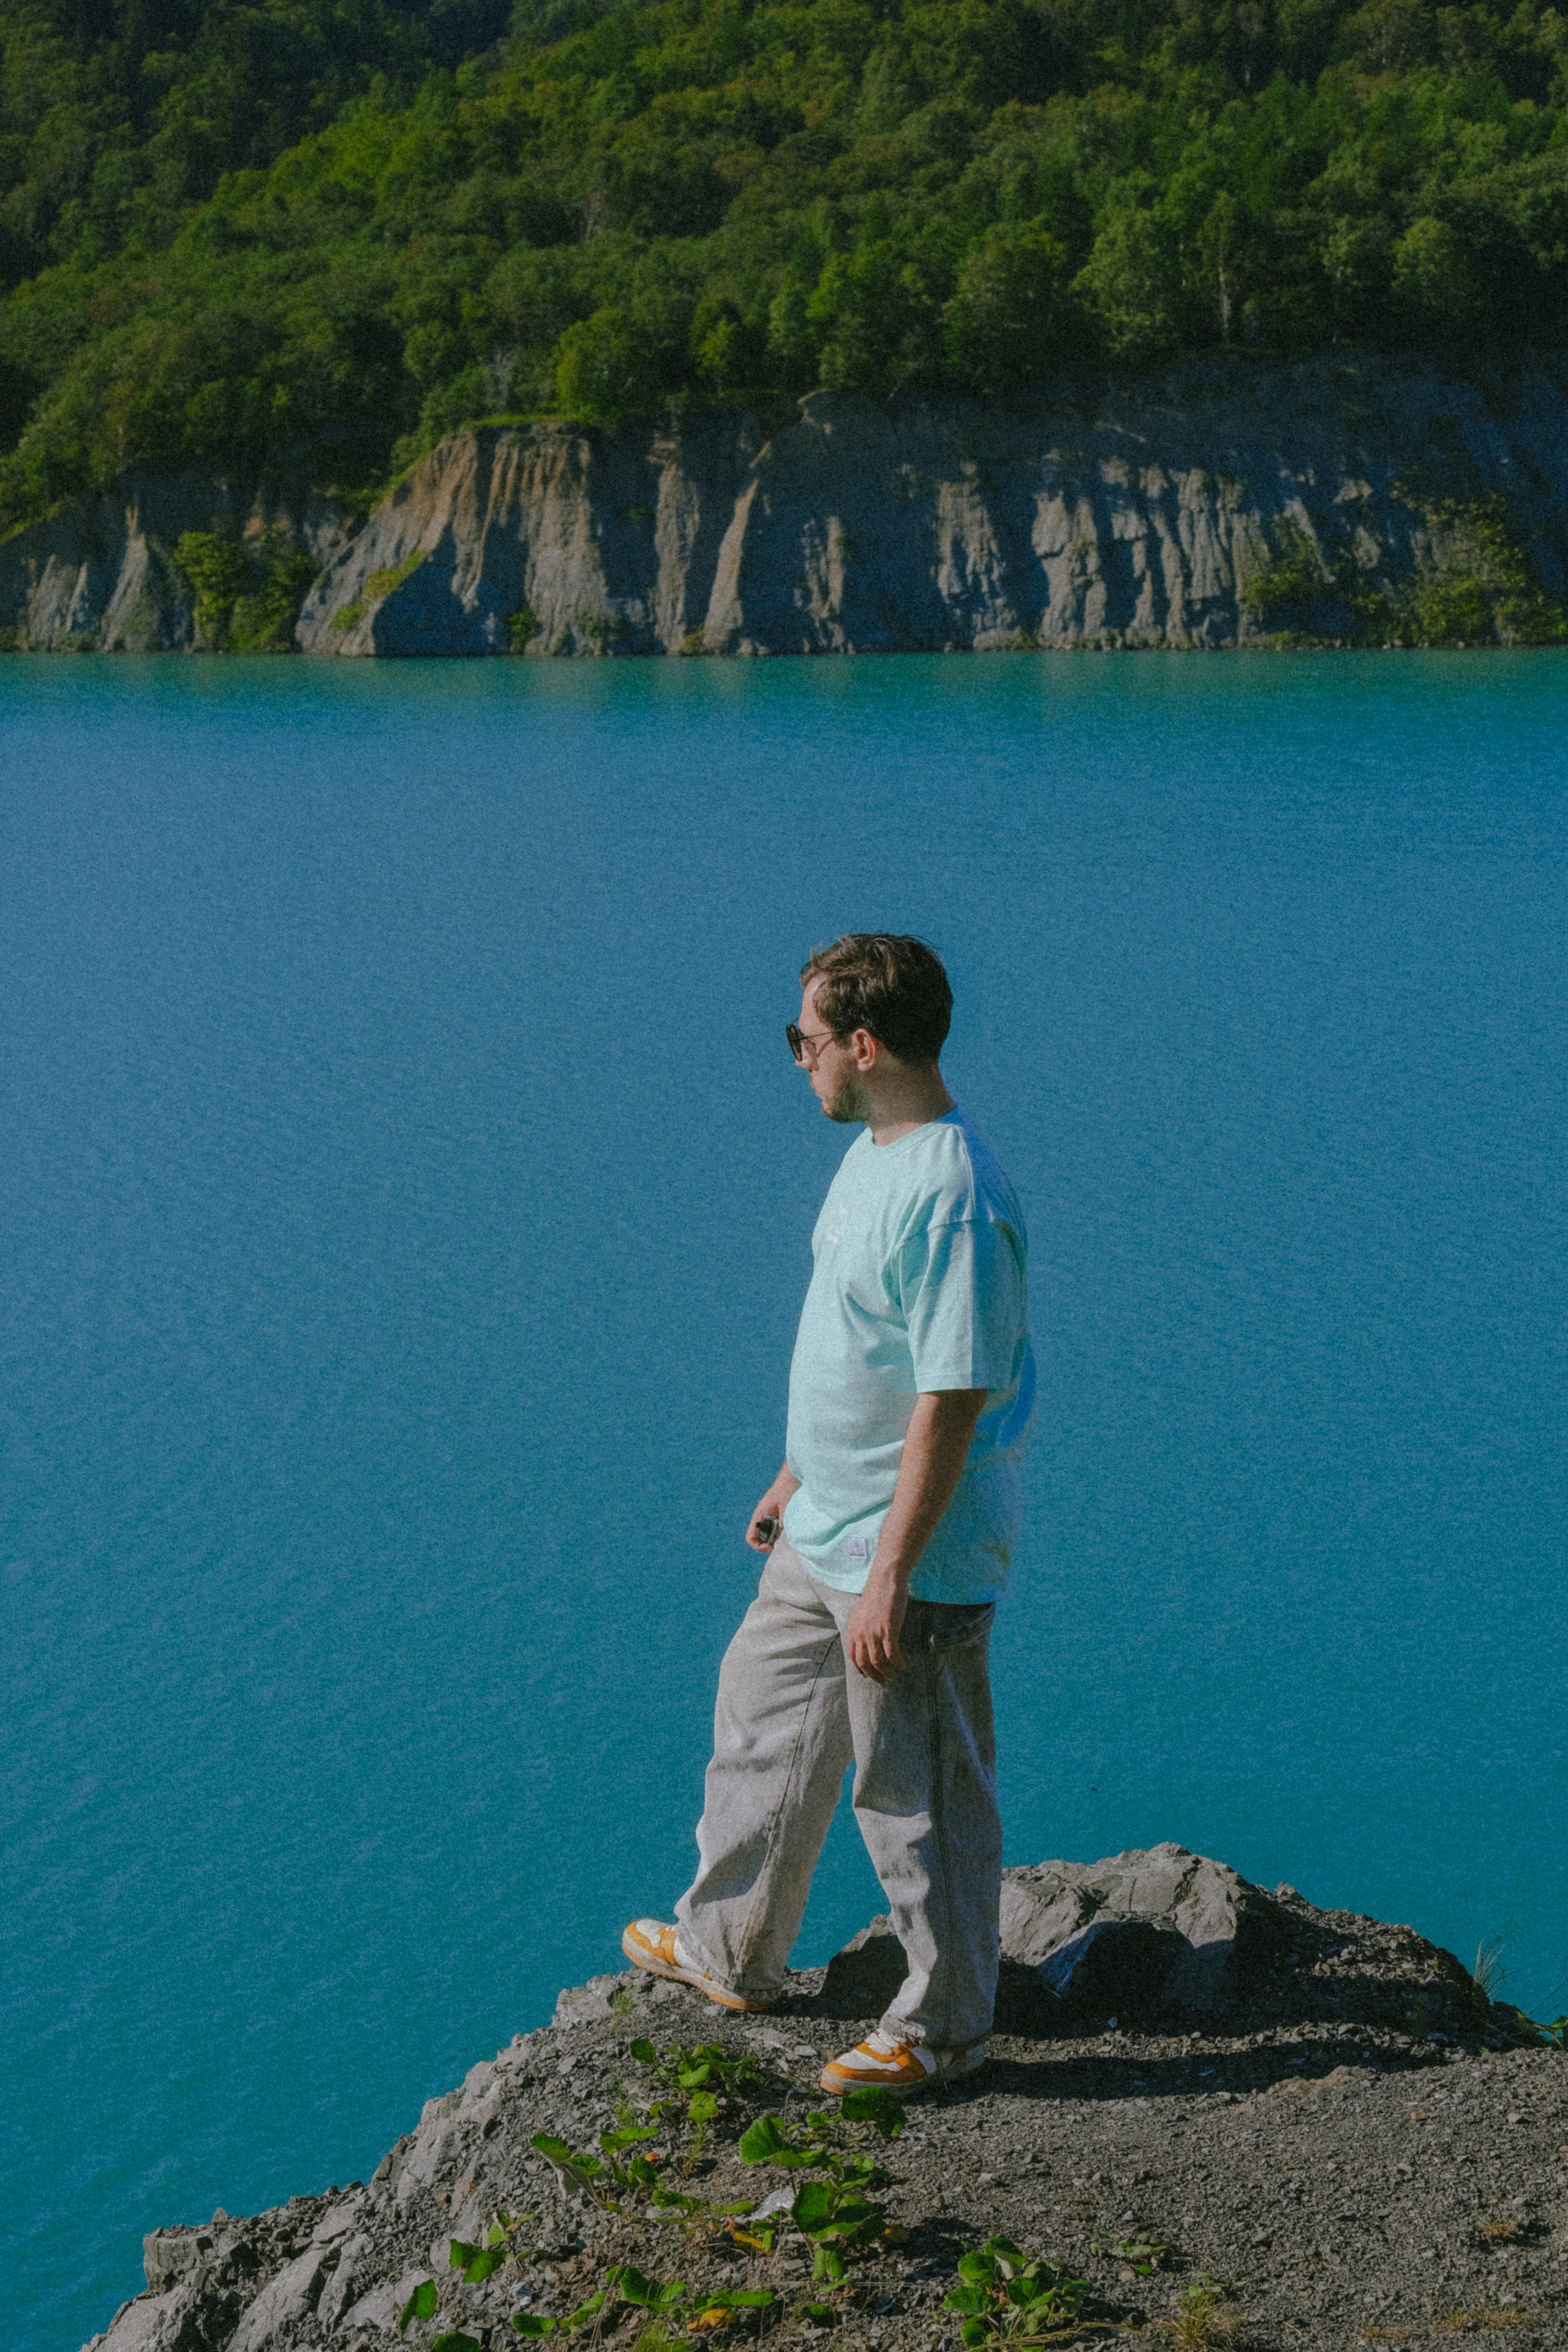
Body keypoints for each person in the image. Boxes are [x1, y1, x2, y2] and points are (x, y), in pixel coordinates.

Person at [623, 934, 1035, 2098]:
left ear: (863, 1043)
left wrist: (895, 1572)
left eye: (804, 1041)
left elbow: (953, 1397)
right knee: (761, 1721)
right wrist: (798, 1473)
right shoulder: (875, 1153)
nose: (799, 1062)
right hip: (829, 1523)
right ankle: (729, 1948)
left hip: (912, 1550)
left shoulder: (954, 1196)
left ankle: (946, 2025)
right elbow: (868, 1353)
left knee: (916, 1787)